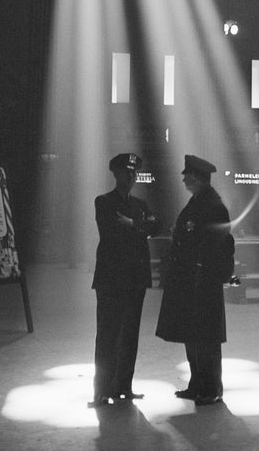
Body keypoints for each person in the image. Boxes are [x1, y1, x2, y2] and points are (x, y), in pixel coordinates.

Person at [156, 155, 234, 406]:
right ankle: (197, 384)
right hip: (190, 280)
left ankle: (212, 388)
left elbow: (219, 245)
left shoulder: (213, 205)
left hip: (204, 281)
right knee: (193, 334)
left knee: (206, 337)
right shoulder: (198, 201)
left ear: (200, 178)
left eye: (188, 176)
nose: (184, 179)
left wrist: (204, 271)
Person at [89, 153, 160, 407]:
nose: (130, 177)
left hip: (135, 279)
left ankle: (123, 386)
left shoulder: (139, 205)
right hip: (112, 279)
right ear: (116, 174)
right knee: (108, 335)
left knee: (130, 335)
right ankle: (102, 389)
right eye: (125, 173)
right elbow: (110, 233)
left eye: (133, 174)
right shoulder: (104, 202)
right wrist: (140, 227)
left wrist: (131, 224)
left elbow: (157, 227)